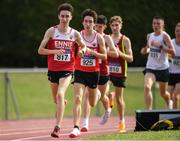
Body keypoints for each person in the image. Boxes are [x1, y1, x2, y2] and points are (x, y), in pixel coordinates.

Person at [38, 3, 86, 138]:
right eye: (62, 16)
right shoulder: (51, 31)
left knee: (60, 94)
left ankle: (57, 127)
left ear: (71, 17)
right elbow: (40, 50)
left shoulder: (74, 33)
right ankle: (62, 103)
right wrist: (55, 51)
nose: (64, 19)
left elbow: (84, 47)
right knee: (57, 99)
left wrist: (82, 51)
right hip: (53, 69)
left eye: (67, 16)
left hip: (67, 69)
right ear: (58, 16)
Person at [69, 9, 107, 138]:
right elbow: (72, 53)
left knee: (92, 103)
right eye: (86, 21)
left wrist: (93, 53)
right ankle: (76, 127)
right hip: (79, 71)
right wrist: (78, 54)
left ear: (94, 24)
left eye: (90, 22)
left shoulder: (99, 37)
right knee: (78, 98)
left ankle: (98, 93)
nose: (88, 24)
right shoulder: (77, 35)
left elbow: (105, 55)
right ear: (82, 22)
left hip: (93, 73)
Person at [81, 15, 119, 132]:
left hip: (103, 71)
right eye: (96, 26)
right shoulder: (90, 35)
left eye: (100, 26)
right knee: (87, 94)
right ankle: (85, 123)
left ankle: (108, 110)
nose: (98, 28)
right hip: (91, 69)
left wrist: (103, 51)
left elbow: (116, 54)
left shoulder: (106, 38)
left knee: (102, 96)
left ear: (105, 27)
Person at [140, 16, 175, 110]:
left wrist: (160, 46)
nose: (155, 25)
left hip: (163, 68)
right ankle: (149, 111)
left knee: (163, 93)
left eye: (158, 24)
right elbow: (147, 48)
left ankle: (169, 101)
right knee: (147, 87)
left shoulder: (165, 36)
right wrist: (144, 50)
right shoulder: (149, 36)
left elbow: (173, 52)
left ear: (163, 25)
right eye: (154, 23)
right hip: (151, 67)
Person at [108, 16, 133, 133]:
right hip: (108, 70)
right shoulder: (106, 38)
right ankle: (110, 96)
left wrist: (119, 53)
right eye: (112, 25)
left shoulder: (125, 40)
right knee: (103, 91)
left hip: (120, 72)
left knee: (119, 99)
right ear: (110, 26)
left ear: (120, 26)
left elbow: (130, 58)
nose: (114, 27)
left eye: (116, 25)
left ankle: (122, 121)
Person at [167, 22, 180, 109]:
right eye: (177, 31)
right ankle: (168, 117)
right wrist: (169, 56)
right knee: (168, 97)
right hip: (170, 74)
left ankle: (176, 119)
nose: (178, 33)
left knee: (175, 97)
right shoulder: (171, 43)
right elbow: (165, 56)